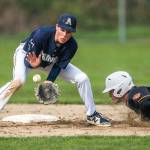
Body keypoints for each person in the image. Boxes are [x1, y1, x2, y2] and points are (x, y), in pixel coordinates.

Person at [0, 13, 111, 126]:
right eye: (62, 29)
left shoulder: (72, 46)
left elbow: (58, 65)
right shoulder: (41, 34)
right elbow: (27, 61)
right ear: (57, 26)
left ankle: (92, 114)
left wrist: (49, 81)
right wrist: (33, 65)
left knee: (83, 78)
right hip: (28, 56)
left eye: (69, 32)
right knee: (19, 82)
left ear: (72, 32)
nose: (64, 34)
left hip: (51, 61)